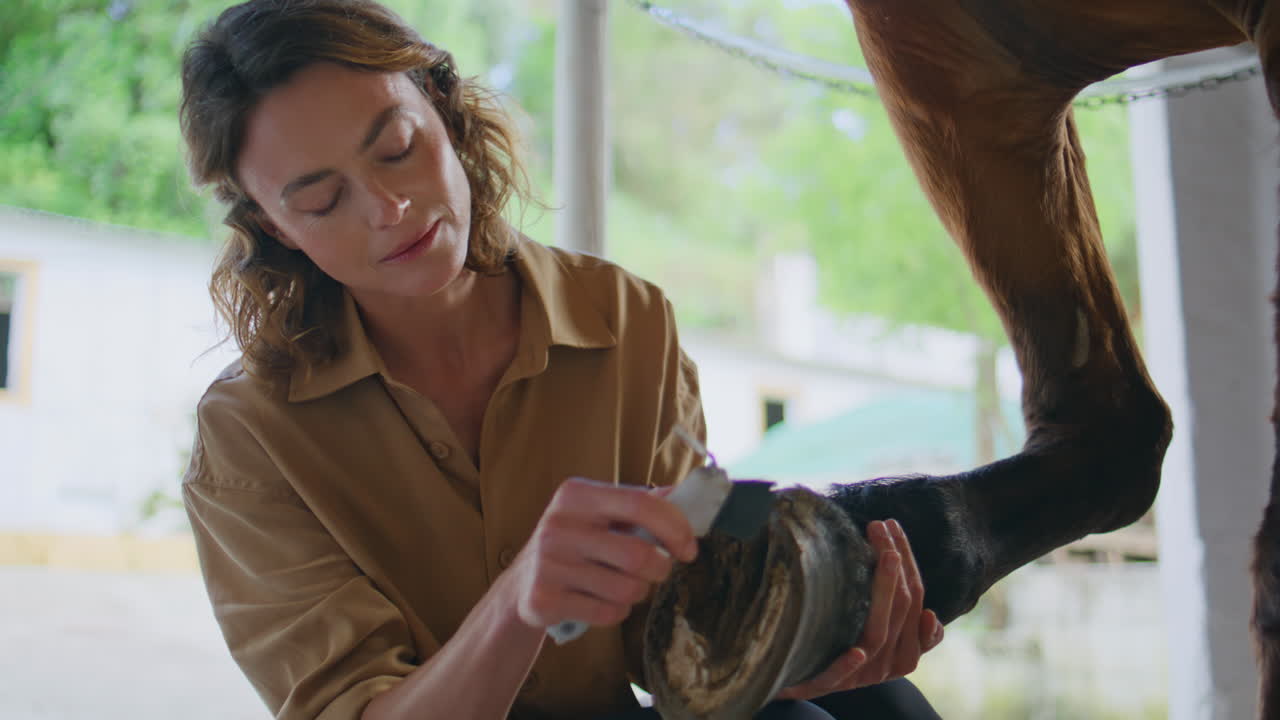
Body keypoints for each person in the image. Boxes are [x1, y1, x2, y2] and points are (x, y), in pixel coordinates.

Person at [177, 1, 945, 718]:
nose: (388, 208)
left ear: (443, 110)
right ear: (276, 228)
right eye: (321, 202)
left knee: (878, 706)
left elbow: (667, 634)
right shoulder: (250, 435)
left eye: (398, 149)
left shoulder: (625, 318)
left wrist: (800, 647)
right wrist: (518, 605)